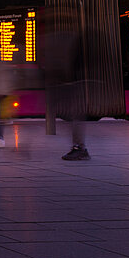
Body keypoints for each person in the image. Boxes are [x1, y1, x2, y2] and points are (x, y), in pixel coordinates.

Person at [41, 9, 89, 161]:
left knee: (73, 115)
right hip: (64, 82)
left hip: (68, 83)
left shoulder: (67, 38)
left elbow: (77, 61)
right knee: (70, 115)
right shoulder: (66, 38)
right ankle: (79, 146)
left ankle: (79, 148)